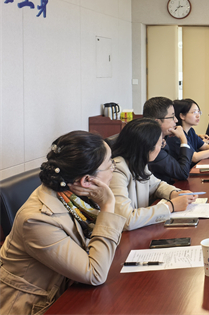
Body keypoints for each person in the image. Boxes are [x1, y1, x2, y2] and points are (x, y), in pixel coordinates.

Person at [0, 131, 126, 315]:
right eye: (110, 164)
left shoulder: (73, 194)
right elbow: (95, 273)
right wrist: (108, 205)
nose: (114, 169)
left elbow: (109, 243)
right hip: (35, 307)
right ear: (87, 180)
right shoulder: (37, 220)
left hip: (67, 291)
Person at [110, 118, 196, 231]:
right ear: (147, 146)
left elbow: (156, 185)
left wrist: (174, 193)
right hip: (123, 237)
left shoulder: (139, 161)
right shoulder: (116, 170)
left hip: (139, 231)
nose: (161, 147)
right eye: (160, 143)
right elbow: (126, 220)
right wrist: (170, 206)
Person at [143, 96, 194, 184]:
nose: (176, 120)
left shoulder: (163, 138)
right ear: (157, 122)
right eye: (172, 117)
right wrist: (183, 140)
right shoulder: (152, 146)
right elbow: (183, 173)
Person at [167, 98, 209, 164]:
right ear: (182, 116)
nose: (198, 115)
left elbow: (205, 146)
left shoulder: (190, 131)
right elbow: (194, 157)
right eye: (194, 112)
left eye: (198, 112)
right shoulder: (176, 135)